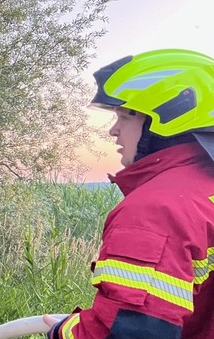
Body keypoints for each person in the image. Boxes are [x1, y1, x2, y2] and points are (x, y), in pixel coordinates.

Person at [45, 49, 214, 339]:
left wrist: (62, 332)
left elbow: (131, 332)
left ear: (167, 119)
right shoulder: (204, 191)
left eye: (125, 116)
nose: (114, 130)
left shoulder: (156, 211)